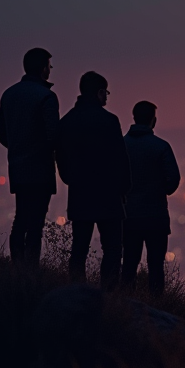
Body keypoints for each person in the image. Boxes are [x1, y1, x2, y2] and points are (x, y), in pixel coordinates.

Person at [56, 71, 131, 289]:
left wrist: (69, 178)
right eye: (105, 92)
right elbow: (120, 157)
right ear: (99, 93)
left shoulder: (67, 121)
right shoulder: (109, 120)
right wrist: (124, 188)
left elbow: (61, 155)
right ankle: (108, 293)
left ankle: (77, 292)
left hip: (80, 192)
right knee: (113, 249)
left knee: (79, 248)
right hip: (109, 194)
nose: (106, 97)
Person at [0, 47, 60, 269]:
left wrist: (18, 146)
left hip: (17, 166)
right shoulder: (47, 97)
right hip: (40, 168)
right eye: (49, 66)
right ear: (43, 69)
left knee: (20, 219)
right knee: (36, 224)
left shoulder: (9, 94)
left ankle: (17, 267)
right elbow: (53, 136)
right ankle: (30, 270)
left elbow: (1, 132)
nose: (50, 70)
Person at [121, 100, 181, 295]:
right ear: (153, 120)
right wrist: (160, 190)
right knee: (156, 265)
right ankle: (156, 303)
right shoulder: (161, 147)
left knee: (129, 263)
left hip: (128, 214)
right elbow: (173, 179)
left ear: (134, 117)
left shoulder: (121, 145)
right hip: (156, 215)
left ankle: (125, 302)